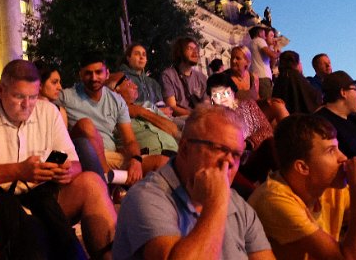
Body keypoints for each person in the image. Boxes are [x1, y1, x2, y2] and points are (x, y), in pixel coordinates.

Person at [0, 60, 117, 260]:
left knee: (91, 182)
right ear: (1, 90)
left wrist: (63, 171)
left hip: (43, 196)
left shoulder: (48, 112)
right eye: (19, 96)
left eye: (32, 97)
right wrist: (18, 171)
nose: (27, 105)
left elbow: (75, 164)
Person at [248, 114, 356, 260]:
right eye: (330, 151)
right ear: (303, 167)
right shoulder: (274, 199)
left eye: (338, 148)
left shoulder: (331, 187)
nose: (343, 157)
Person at [113, 105, 274, 259]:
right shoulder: (146, 198)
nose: (230, 162)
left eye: (237, 155)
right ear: (184, 149)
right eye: (220, 149)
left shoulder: (240, 206)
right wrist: (217, 202)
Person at [58, 53, 147, 184]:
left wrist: (136, 160)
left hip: (112, 156)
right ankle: (107, 183)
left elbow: (130, 140)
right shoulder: (66, 96)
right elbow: (41, 98)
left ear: (107, 73)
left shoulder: (117, 100)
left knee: (160, 162)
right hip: (86, 155)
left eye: (98, 72)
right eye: (88, 73)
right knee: (85, 124)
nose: (94, 78)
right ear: (80, 75)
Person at [107, 71, 179, 158]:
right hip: (151, 158)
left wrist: (142, 112)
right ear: (115, 92)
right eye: (129, 83)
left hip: (175, 154)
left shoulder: (147, 106)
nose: (136, 86)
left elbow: (174, 130)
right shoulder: (112, 116)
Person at [159, 37, 207, 117]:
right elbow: (172, 107)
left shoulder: (201, 77)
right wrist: (196, 115)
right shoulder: (168, 75)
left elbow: (206, 103)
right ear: (180, 52)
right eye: (190, 48)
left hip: (200, 118)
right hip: (181, 119)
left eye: (196, 49)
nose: (195, 52)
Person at [248, 26, 278, 100]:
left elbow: (271, 64)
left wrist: (272, 48)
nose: (264, 37)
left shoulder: (251, 43)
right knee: (266, 102)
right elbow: (273, 55)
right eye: (264, 35)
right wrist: (278, 51)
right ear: (259, 34)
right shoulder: (259, 40)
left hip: (255, 77)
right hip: (263, 77)